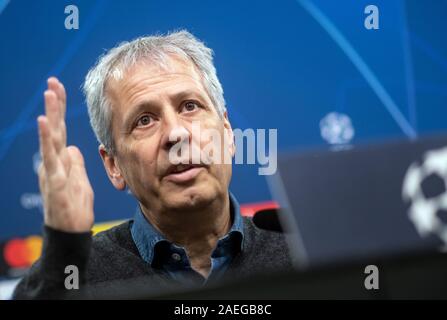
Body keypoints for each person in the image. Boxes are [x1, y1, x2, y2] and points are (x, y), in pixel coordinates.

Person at [13, 30, 292, 299]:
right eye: (144, 120)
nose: (176, 134)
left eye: (190, 106)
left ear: (228, 133)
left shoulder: (298, 250)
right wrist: (63, 247)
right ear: (113, 165)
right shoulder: (73, 276)